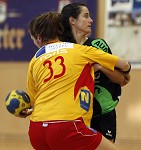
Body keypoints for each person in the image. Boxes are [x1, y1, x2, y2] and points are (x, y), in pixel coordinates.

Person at [23, 11, 131, 150]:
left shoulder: (35, 59)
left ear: (38, 38)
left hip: (37, 130)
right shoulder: (80, 50)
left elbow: (32, 102)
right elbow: (123, 64)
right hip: (68, 125)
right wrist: (126, 71)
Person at [61, 2, 130, 143]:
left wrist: (100, 67)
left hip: (103, 115)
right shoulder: (63, 49)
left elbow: (122, 80)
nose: (91, 20)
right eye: (86, 16)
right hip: (74, 117)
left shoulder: (97, 46)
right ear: (72, 20)